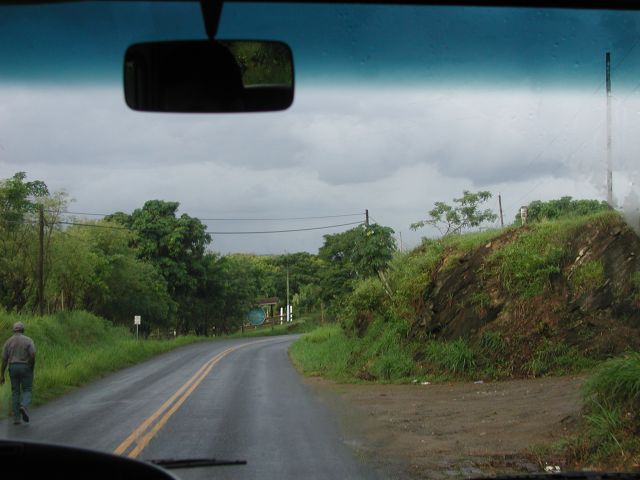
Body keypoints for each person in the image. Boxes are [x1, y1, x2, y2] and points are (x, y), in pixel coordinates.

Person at [1, 321, 36, 424]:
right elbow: (33, 355)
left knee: (15, 392)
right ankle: (23, 405)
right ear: (23, 330)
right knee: (27, 389)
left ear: (14, 330)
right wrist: (31, 366)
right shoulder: (28, 340)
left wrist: (1, 375)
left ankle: (16, 419)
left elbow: (3, 360)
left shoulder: (8, 342)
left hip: (12, 367)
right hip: (25, 367)